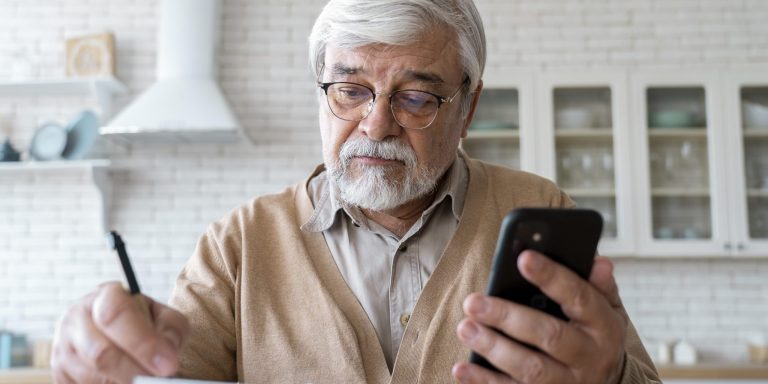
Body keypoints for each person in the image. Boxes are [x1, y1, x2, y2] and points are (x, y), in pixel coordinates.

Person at [52, 0, 661, 383]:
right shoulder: (238, 245)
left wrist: (607, 376)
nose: (376, 125)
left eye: (417, 97)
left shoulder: (538, 213)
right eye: (349, 89)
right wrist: (105, 364)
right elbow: (165, 370)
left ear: (469, 106)